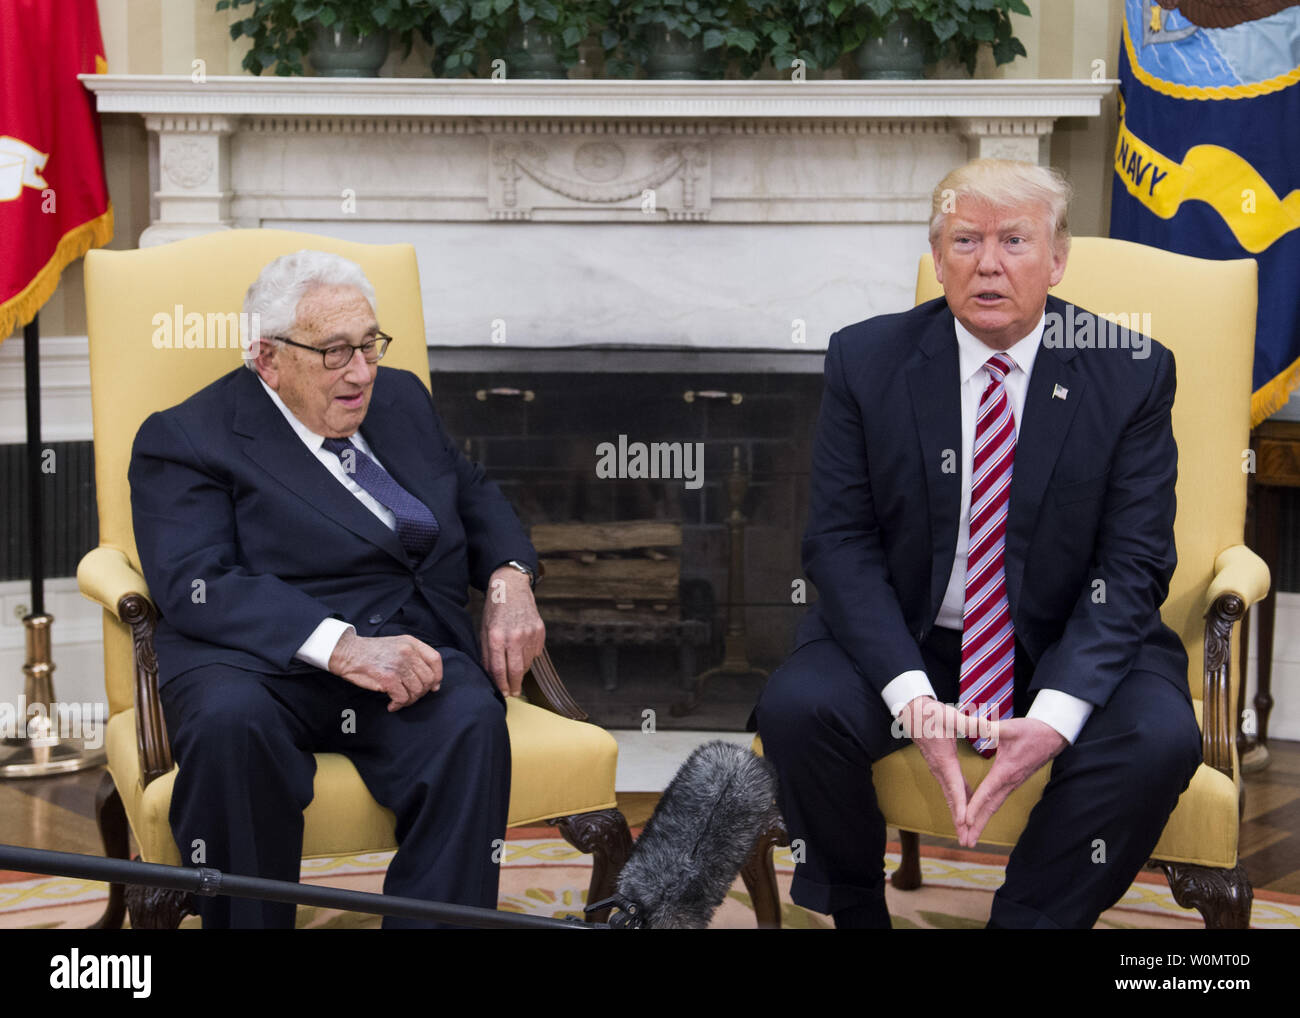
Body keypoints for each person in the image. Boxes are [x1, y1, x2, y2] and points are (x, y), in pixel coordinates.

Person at [753, 158, 1203, 929]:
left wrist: (1057, 713)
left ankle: (1028, 919)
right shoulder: (866, 361)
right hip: (914, 638)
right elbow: (839, 543)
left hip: (1065, 641)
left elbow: (1132, 566)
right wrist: (911, 697)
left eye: (1015, 241)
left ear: (1057, 260)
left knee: (1159, 738)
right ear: (938, 259)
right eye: (965, 240)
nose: (988, 263)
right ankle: (857, 909)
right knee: (798, 707)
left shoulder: (1130, 373)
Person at [128, 250, 545, 928]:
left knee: (469, 721)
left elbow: (470, 493)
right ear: (268, 358)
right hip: (258, 663)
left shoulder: (401, 397)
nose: (361, 373)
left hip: (407, 649)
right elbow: (196, 581)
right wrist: (341, 645)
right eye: (335, 352)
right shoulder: (185, 438)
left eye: (370, 345)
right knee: (234, 728)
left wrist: (510, 576)